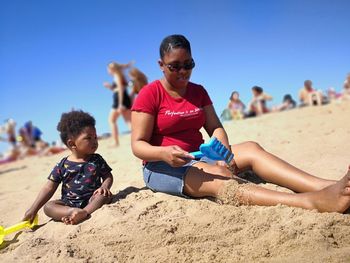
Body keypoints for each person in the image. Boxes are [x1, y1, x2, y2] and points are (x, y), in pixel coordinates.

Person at [131, 34, 350, 213]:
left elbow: (215, 127)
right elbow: (138, 145)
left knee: (251, 148)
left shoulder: (198, 91)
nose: (182, 72)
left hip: (198, 155)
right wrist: (163, 153)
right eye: (174, 66)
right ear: (161, 65)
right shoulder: (150, 94)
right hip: (162, 166)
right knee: (221, 177)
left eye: (188, 64)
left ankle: (325, 186)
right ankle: (312, 201)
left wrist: (223, 151)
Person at [23, 110, 114, 225]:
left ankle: (84, 212)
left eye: (95, 137)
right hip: (69, 203)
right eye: (89, 138)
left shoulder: (96, 159)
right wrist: (33, 209)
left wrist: (104, 187)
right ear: (72, 144)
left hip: (92, 199)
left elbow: (108, 175)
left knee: (103, 196)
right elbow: (49, 188)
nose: (95, 141)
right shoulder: (62, 165)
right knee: (48, 207)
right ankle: (72, 212)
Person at [103, 61, 133, 146]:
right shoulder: (119, 76)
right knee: (128, 121)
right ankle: (137, 140)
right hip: (124, 98)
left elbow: (120, 89)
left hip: (120, 99)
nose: (107, 71)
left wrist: (120, 104)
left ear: (112, 69)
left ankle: (116, 142)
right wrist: (110, 87)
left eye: (108, 69)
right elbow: (118, 89)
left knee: (111, 120)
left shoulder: (117, 76)